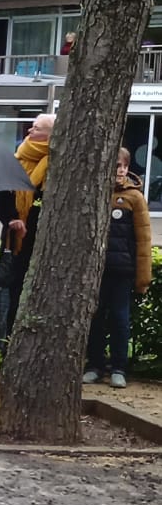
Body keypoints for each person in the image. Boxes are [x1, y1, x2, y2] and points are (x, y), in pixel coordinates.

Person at [84, 147, 152, 389]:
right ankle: (94, 365)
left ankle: (119, 368)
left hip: (122, 271)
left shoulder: (135, 197)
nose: (120, 171)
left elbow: (143, 240)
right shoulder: (95, 193)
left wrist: (143, 277)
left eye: (123, 166)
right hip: (96, 271)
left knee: (120, 319)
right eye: (115, 167)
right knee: (95, 318)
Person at [0, 111, 55, 343]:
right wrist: (11, 219)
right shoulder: (17, 158)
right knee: (14, 291)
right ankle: (9, 343)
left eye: (37, 128)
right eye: (32, 127)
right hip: (17, 239)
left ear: (50, 135)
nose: (30, 131)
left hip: (44, 240)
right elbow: (1, 195)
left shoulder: (59, 161)